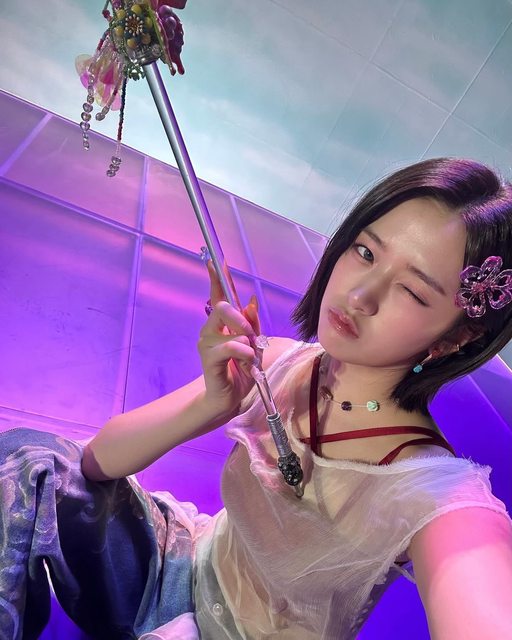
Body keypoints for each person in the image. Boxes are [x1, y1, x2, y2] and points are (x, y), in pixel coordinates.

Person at [1, 157, 512, 640]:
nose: (360, 296)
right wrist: (211, 404)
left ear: (456, 338)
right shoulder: (279, 362)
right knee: (30, 461)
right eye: (365, 252)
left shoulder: (433, 492)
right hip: (178, 567)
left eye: (413, 292)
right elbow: (95, 462)